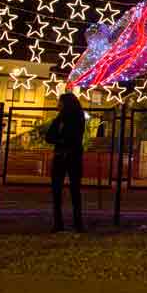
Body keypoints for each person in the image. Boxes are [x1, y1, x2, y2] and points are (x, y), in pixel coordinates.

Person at [45, 92, 86, 233]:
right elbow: (51, 136)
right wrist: (63, 140)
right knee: (74, 190)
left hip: (63, 156)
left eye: (60, 102)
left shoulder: (61, 119)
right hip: (73, 156)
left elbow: (50, 136)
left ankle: (59, 223)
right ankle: (77, 223)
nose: (57, 105)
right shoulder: (78, 118)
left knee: (59, 190)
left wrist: (59, 140)